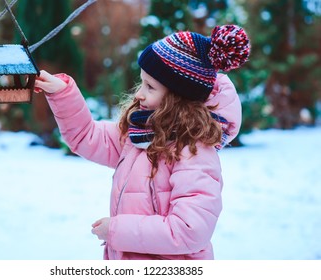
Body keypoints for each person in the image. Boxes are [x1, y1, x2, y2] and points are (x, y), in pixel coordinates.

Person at [34, 25, 250, 260]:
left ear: (178, 98)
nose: (139, 94)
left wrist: (116, 230)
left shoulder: (194, 153)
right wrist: (62, 93)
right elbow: (86, 136)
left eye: (150, 87)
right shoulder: (138, 135)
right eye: (142, 83)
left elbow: (189, 231)